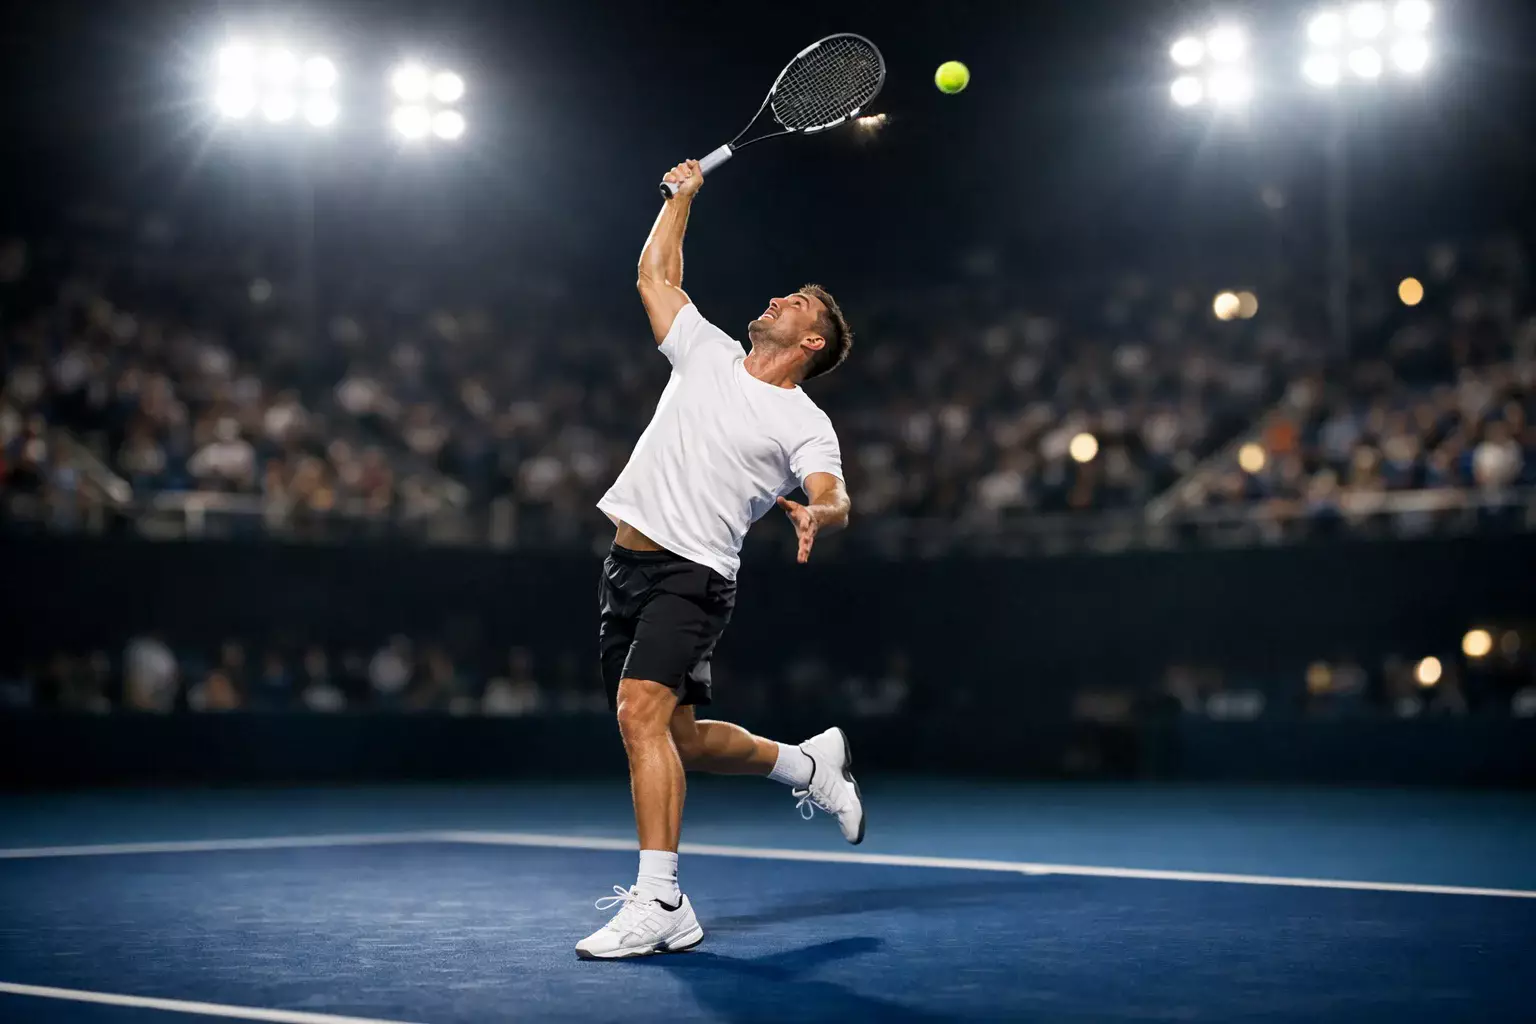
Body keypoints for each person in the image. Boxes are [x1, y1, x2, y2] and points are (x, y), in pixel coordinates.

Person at [575, 159, 864, 960]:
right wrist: (682, 199)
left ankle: (662, 899)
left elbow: (832, 493)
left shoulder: (805, 421)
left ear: (809, 341)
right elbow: (653, 274)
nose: (772, 301)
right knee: (678, 738)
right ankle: (806, 764)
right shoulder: (703, 351)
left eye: (793, 304)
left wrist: (821, 513)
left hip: (694, 576)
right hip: (625, 566)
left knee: (639, 716)